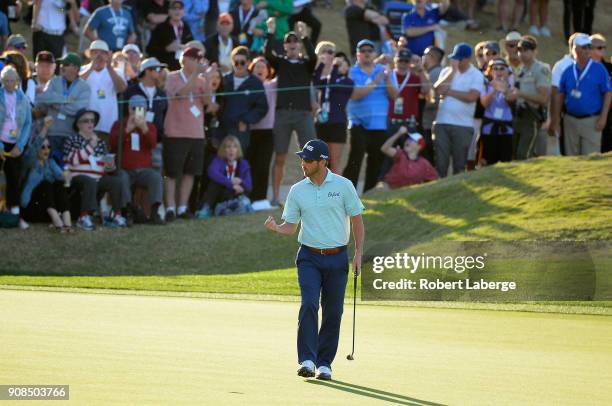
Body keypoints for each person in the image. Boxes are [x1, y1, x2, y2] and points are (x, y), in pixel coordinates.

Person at [264, 139, 364, 382]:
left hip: (337, 257)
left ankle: (324, 363)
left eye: (308, 160)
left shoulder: (343, 186)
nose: (303, 164)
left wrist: (359, 252)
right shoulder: (297, 190)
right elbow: (290, 226)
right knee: (309, 304)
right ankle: (307, 360)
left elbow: (357, 221)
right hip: (309, 256)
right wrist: (276, 228)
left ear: (322, 161)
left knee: (333, 311)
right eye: (302, 159)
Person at [265, 18, 316, 206]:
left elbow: (314, 58)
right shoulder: (280, 63)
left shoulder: (306, 64)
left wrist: (305, 36)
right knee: (280, 156)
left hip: (303, 114)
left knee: (311, 155)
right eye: (289, 41)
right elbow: (267, 54)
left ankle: (312, 195)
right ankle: (275, 197)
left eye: (295, 41)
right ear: (285, 46)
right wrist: (270, 32)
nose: (293, 44)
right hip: (283, 115)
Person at [344, 39, 398, 193]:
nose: (367, 53)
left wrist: (387, 79)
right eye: (363, 51)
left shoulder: (384, 70)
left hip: (379, 124)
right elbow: (355, 94)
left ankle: (369, 193)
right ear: (357, 54)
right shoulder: (352, 72)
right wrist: (376, 80)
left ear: (375, 54)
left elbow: (394, 95)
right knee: (356, 158)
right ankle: (348, 194)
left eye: (370, 51)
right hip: (357, 123)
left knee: (376, 161)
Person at [64, 108, 132, 230]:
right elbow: (71, 160)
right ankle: (83, 218)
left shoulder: (100, 142)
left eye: (92, 121)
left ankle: (116, 215)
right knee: (89, 181)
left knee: (116, 181)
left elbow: (104, 164)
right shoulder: (72, 139)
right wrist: (90, 146)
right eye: (86, 121)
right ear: (78, 124)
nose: (90, 124)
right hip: (77, 177)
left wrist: (110, 166)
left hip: (97, 177)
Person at [163, 46, 210, 220]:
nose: (199, 63)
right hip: (175, 131)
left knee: (190, 172)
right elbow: (181, 94)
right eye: (195, 59)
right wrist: (195, 75)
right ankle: (169, 208)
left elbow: (207, 102)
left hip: (196, 132)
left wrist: (207, 78)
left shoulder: (200, 79)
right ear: (185, 60)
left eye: (200, 60)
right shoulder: (172, 77)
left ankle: (182, 207)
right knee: (172, 172)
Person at [109, 95, 165, 225]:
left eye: (142, 109)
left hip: (144, 170)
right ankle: (128, 211)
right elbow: (113, 143)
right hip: (125, 169)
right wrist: (127, 129)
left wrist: (144, 128)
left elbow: (152, 144)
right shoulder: (119, 124)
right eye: (135, 108)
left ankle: (154, 212)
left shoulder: (149, 126)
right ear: (129, 110)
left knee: (156, 177)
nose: (138, 112)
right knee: (122, 178)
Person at [433, 42, 484, 177]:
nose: (456, 61)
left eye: (459, 59)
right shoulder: (446, 71)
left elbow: (471, 97)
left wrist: (449, 92)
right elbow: (437, 89)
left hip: (463, 125)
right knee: (440, 163)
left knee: (459, 165)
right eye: (454, 58)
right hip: (442, 123)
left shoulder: (476, 75)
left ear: (468, 59)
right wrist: (452, 71)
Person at [556, 34, 612, 155]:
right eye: (584, 47)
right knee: (571, 159)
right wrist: (556, 120)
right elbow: (560, 95)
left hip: (592, 120)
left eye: (589, 47)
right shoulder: (568, 70)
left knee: (591, 158)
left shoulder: (599, 69)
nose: (588, 50)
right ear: (575, 49)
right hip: (570, 120)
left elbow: (607, 93)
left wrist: (603, 117)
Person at [36, 52, 91, 161]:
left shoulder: (85, 87)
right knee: (50, 167)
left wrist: (56, 105)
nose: (61, 67)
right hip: (52, 133)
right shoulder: (54, 81)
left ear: (75, 68)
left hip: (71, 135)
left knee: (65, 169)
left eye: (65, 64)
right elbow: (44, 97)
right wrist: (66, 100)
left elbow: (77, 110)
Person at [20, 130, 73, 232]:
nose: (46, 149)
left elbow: (60, 175)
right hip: (30, 208)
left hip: (46, 208)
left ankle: (67, 222)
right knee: (46, 184)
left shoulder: (50, 162)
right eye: (43, 147)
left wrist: (66, 175)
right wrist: (45, 127)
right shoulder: (29, 162)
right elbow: (33, 149)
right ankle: (57, 222)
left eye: (49, 146)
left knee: (58, 184)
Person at [312, 45, 353, 174]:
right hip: (322, 122)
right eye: (337, 61)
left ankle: (337, 192)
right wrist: (322, 65)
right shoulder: (327, 80)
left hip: (337, 123)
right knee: (319, 161)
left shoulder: (348, 82)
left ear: (347, 67)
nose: (338, 64)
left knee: (334, 161)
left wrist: (334, 66)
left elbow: (334, 84)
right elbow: (316, 81)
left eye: (342, 62)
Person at [219, 46, 268, 151]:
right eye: (236, 62)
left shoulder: (256, 83)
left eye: (242, 62)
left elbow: (262, 108)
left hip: (240, 131)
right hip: (222, 129)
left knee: (238, 163)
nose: (239, 65)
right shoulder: (224, 80)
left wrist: (246, 120)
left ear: (248, 62)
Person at [123, 57, 169, 170]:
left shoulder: (162, 93)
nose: (161, 72)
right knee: (135, 174)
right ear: (148, 70)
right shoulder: (131, 91)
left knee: (155, 176)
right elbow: (124, 113)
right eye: (158, 69)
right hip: (134, 140)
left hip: (156, 141)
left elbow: (164, 114)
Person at [510, 36, 551, 159]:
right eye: (520, 50)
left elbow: (544, 98)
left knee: (524, 154)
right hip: (518, 115)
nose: (522, 53)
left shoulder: (541, 69)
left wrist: (520, 94)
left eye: (526, 50)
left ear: (534, 51)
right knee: (514, 153)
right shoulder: (520, 69)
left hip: (531, 115)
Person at [0, 66, 32, 221]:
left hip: (15, 144)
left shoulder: (23, 99)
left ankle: (14, 211)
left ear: (17, 82)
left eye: (12, 80)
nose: (9, 83)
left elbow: (27, 123)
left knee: (14, 177)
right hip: (1, 142)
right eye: (6, 80)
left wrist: (20, 145)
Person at [80, 40, 128, 140]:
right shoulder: (82, 70)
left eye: (103, 53)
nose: (99, 56)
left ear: (108, 55)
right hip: (85, 125)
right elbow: (75, 86)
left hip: (108, 125)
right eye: (96, 52)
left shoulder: (116, 72)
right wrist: (91, 67)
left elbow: (122, 89)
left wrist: (110, 67)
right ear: (90, 55)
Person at [198, 135, 252, 217]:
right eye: (228, 147)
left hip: (237, 193)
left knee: (243, 188)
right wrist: (231, 183)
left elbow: (249, 185)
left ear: (238, 150)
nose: (231, 150)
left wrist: (241, 181)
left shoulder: (243, 163)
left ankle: (240, 206)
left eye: (234, 147)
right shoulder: (218, 161)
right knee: (214, 184)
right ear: (223, 150)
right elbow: (212, 172)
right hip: (221, 194)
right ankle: (206, 209)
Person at [246, 56, 276, 202]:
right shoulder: (247, 86)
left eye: (263, 67)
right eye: (257, 66)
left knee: (263, 166)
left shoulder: (272, 86)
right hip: (249, 131)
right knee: (249, 165)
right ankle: (248, 197)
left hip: (267, 132)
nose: (260, 69)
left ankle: (261, 198)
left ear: (268, 71)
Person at [480, 58, 514, 165]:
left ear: (507, 72)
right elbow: (484, 103)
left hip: (506, 129)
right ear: (490, 71)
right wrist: (494, 90)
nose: (499, 72)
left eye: (502, 69)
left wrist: (505, 90)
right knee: (489, 161)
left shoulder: (511, 87)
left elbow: (511, 101)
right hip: (489, 129)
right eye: (495, 69)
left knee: (506, 160)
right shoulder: (486, 86)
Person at [146, 0, 194, 71]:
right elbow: (150, 50)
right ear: (168, 11)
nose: (177, 11)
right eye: (174, 8)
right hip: (166, 68)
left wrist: (185, 48)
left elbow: (191, 45)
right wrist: (166, 49)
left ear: (183, 12)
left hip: (183, 68)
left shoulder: (186, 27)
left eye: (180, 9)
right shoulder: (161, 28)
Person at [421, 45, 444, 164]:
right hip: (428, 122)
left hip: (430, 123)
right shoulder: (430, 72)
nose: (422, 57)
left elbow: (433, 100)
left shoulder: (436, 74)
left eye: (424, 55)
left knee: (429, 159)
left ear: (432, 57)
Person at [590, 33, 612, 153]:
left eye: (604, 47)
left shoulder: (609, 68)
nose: (603, 50)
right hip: (589, 113)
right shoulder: (581, 67)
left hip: (608, 115)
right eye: (599, 47)